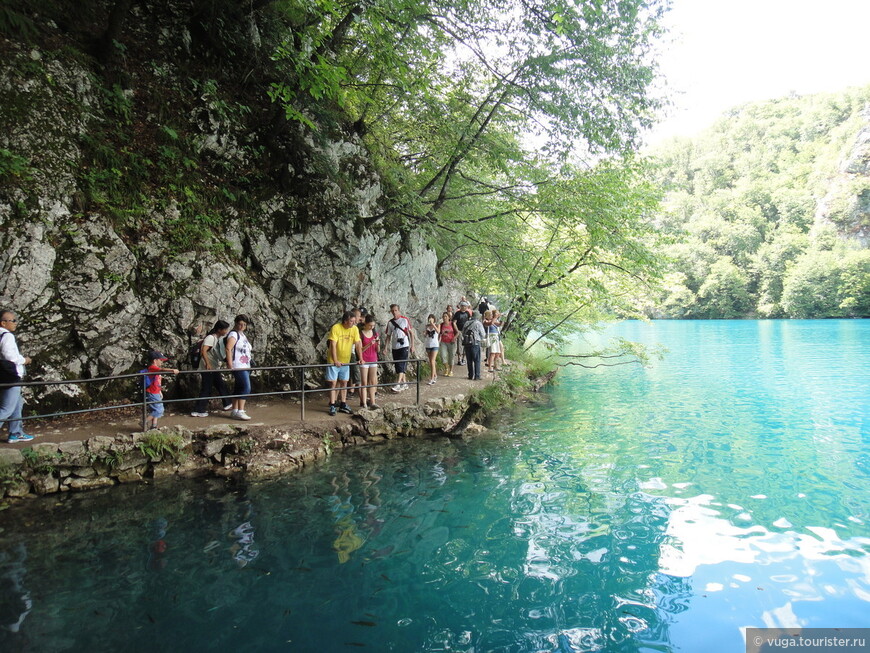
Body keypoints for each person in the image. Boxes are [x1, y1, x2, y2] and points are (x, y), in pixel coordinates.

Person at [0, 310, 34, 443]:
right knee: (6, 408)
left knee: (17, 403)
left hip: (2, 376)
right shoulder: (7, 336)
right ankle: (16, 432)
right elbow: (10, 357)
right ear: (3, 323)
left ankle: (16, 432)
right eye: (12, 320)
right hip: (10, 376)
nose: (15, 323)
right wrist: (24, 360)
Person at [191, 320, 232, 417]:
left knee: (220, 385)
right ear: (219, 330)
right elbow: (203, 351)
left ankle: (227, 403)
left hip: (214, 367)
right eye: (225, 329)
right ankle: (198, 410)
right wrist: (208, 364)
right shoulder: (211, 338)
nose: (226, 331)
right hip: (208, 368)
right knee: (206, 388)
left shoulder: (217, 338)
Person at [326, 311, 364, 416]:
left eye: (354, 321)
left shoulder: (354, 329)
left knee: (344, 382)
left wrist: (360, 358)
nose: (353, 323)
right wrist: (335, 360)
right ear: (345, 321)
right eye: (351, 321)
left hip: (346, 361)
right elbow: (332, 344)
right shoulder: (336, 328)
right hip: (334, 361)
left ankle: (343, 403)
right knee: (333, 383)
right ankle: (332, 405)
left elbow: (357, 344)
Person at [226, 314, 253, 421]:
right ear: (236, 324)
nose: (242, 326)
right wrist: (230, 364)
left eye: (244, 324)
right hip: (238, 365)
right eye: (240, 324)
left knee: (239, 387)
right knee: (246, 387)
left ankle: (235, 410)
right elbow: (228, 348)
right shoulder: (233, 334)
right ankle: (240, 411)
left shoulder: (242, 335)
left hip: (245, 365)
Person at [144, 350, 180, 430]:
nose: (161, 362)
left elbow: (156, 381)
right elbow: (162, 370)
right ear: (155, 360)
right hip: (152, 392)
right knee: (159, 410)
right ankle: (144, 422)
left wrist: (159, 391)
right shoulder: (153, 368)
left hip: (155, 391)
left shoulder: (155, 369)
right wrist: (172, 370)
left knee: (155, 408)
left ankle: (154, 426)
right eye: (160, 360)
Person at [383, 304, 414, 393]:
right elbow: (388, 336)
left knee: (401, 364)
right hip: (395, 346)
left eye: (396, 310)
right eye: (392, 311)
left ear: (399, 310)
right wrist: (386, 347)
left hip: (404, 345)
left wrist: (412, 345)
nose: (394, 312)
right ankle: (404, 383)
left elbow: (411, 333)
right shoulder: (390, 323)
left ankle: (398, 384)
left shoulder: (405, 320)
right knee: (398, 365)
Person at [358, 314, 381, 410]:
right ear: (365, 324)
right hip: (364, 359)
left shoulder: (375, 333)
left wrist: (378, 344)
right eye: (370, 325)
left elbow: (378, 350)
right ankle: (364, 403)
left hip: (373, 359)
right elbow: (359, 349)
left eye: (373, 326)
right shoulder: (361, 333)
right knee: (364, 382)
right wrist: (369, 344)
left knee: (372, 382)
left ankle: (373, 402)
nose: (372, 327)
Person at [461, 312, 486, 380]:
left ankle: (470, 375)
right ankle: (477, 376)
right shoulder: (478, 323)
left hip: (467, 344)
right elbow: (483, 334)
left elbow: (463, 333)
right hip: (475, 343)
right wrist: (479, 339)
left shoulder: (466, 323)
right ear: (478, 316)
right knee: (477, 360)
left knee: (469, 360)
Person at [452, 300, 473, 367]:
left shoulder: (467, 313)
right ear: (460, 306)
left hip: (466, 331)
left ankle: (463, 359)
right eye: (462, 306)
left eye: (465, 306)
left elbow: (469, 321)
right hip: (460, 331)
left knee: (466, 344)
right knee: (460, 345)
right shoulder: (457, 313)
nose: (463, 307)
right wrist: (457, 330)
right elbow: (454, 322)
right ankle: (459, 359)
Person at [423, 313, 440, 385]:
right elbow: (425, 335)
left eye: (432, 317)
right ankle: (435, 375)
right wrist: (424, 333)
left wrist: (432, 324)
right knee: (431, 362)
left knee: (433, 361)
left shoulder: (437, 325)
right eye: (429, 318)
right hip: (428, 344)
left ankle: (432, 378)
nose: (430, 319)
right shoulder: (427, 326)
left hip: (435, 345)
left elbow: (438, 331)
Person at [438, 311, 457, 377]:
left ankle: (451, 371)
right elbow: (439, 333)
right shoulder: (441, 325)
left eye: (446, 316)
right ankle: (446, 368)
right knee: (443, 356)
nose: (444, 318)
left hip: (452, 342)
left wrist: (454, 338)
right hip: (443, 342)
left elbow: (457, 332)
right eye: (443, 316)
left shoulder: (452, 324)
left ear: (449, 317)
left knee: (451, 357)